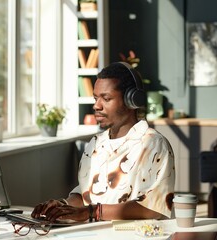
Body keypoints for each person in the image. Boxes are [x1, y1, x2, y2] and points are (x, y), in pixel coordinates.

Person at [31, 62, 175, 222]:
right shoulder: (95, 143)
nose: (96, 106)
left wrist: (92, 212)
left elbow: (152, 208)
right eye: (95, 98)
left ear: (131, 101)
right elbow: (85, 195)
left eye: (106, 98)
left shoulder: (153, 144)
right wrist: (62, 206)